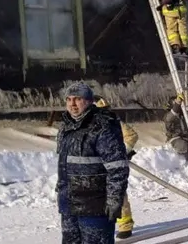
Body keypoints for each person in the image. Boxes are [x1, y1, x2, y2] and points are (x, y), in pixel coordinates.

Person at [56, 82, 129, 244]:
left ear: (89, 101)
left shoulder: (102, 126)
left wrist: (114, 199)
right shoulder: (66, 127)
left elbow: (118, 168)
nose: (72, 104)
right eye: (69, 99)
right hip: (69, 206)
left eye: (77, 99)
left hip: (95, 207)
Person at [94, 95, 138, 240]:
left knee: (118, 195)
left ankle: (125, 225)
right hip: (94, 167)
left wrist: (121, 152)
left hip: (114, 166)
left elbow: (131, 135)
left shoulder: (114, 123)